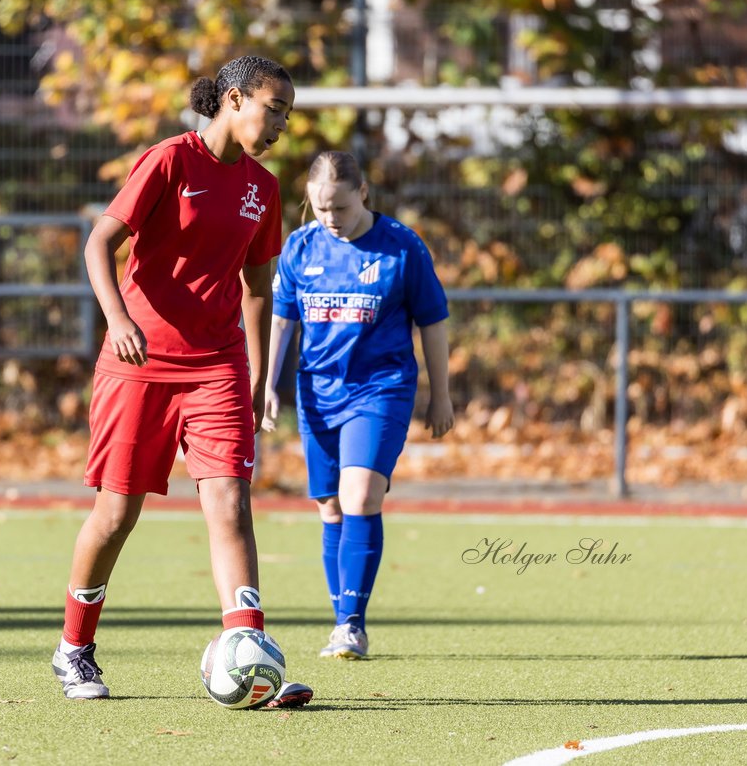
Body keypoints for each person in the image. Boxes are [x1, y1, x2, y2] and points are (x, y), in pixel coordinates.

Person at [52, 55, 313, 709]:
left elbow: (258, 288)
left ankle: (249, 650)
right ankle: (74, 648)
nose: (281, 124)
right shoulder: (169, 160)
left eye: (287, 114)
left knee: (230, 502)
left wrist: (258, 375)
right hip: (139, 363)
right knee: (117, 514)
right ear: (234, 99)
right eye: (274, 108)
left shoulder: (264, 188)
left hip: (218, 365)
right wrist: (117, 320)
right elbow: (98, 244)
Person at [262, 150, 454, 660]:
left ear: (363, 193)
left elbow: (433, 322)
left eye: (341, 207)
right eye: (320, 207)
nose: (331, 218)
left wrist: (441, 393)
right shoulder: (300, 247)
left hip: (380, 389)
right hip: (317, 392)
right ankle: (341, 619)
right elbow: (281, 319)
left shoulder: (401, 246)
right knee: (330, 506)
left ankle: (351, 625)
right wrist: (266, 383)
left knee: (361, 495)